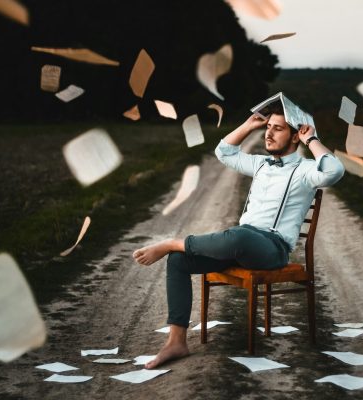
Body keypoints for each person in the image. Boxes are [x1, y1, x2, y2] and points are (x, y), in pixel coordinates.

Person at [133, 104, 345, 369]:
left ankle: (173, 243)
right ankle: (176, 342)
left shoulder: (306, 169)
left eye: (277, 129)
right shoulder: (260, 164)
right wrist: (248, 126)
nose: (269, 134)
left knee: (235, 237)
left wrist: (311, 139)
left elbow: (334, 171)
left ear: (295, 135)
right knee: (179, 261)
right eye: (268, 127)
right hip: (241, 243)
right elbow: (223, 152)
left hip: (271, 248)